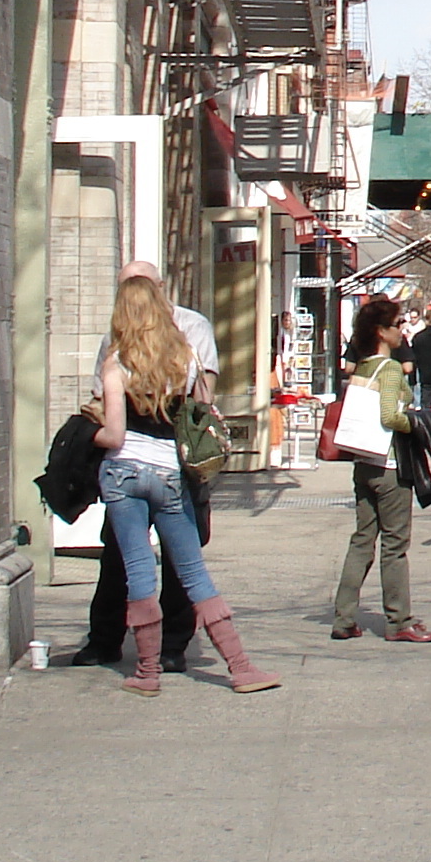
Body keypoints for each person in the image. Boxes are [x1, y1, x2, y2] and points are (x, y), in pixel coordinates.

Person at [94, 275, 277, 695]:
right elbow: (202, 409)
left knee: (140, 573)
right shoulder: (185, 358)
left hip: (123, 474)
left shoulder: (116, 361)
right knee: (194, 573)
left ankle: (146, 672)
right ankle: (241, 667)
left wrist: (91, 437)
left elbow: (115, 435)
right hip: (169, 474)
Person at [75, 261, 218, 671]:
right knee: (120, 556)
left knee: (175, 562)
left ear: (158, 287)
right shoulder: (116, 340)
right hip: (150, 467)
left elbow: (201, 402)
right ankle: (106, 640)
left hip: (167, 463)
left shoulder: (192, 330)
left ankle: (167, 648)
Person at [328, 295, 431, 643]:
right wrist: (419, 423)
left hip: (364, 463)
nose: (401, 330)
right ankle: (398, 620)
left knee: (362, 540)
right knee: (395, 544)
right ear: (381, 331)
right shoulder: (389, 369)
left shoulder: (361, 366)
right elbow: (389, 416)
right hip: (390, 464)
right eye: (396, 325)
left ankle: (344, 616)